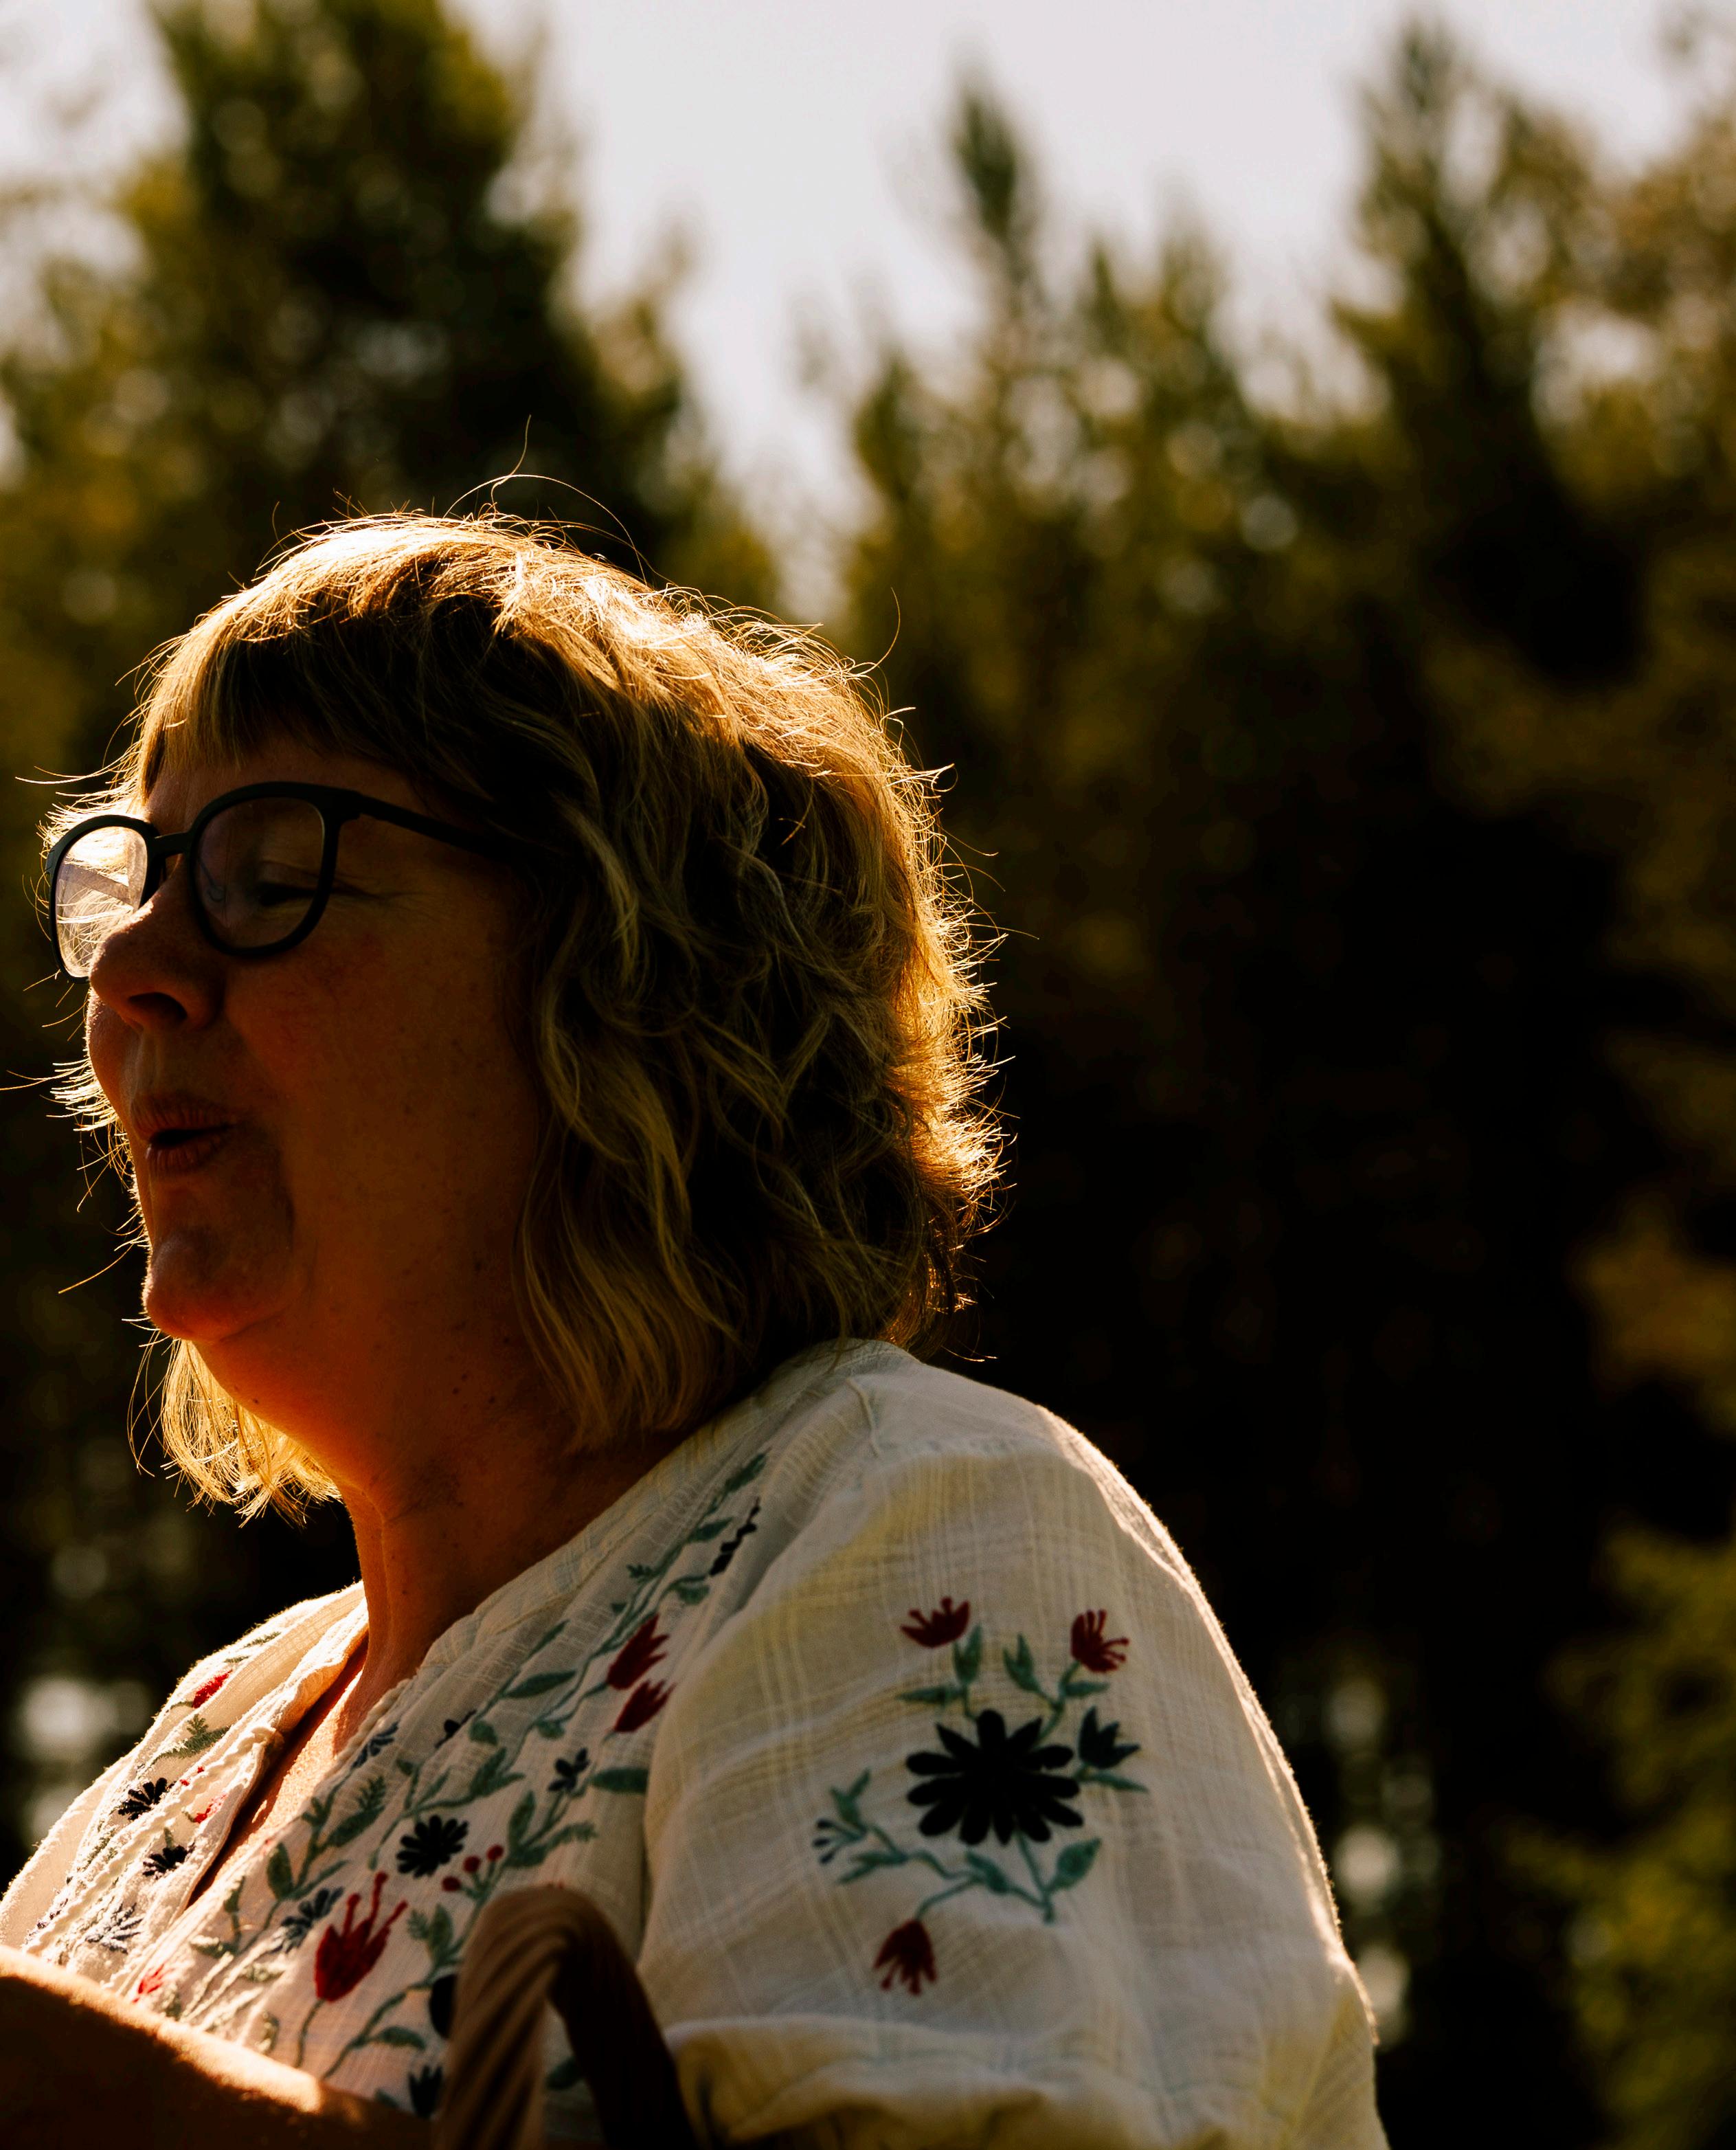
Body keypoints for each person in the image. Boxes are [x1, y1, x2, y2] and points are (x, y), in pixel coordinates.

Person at [0, 514, 1386, 2147]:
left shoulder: (917, 1521)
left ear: (623, 978)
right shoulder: (203, 1741)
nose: (133, 967)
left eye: (267, 875)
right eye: (130, 881)